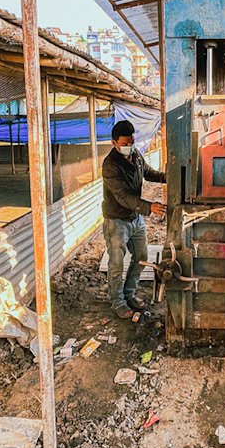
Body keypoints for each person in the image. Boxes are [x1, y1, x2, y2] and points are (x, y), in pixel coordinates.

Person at [101, 120, 166, 318]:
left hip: (135, 218)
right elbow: (122, 196)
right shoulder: (110, 165)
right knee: (117, 264)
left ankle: (129, 294)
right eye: (126, 143)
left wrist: (166, 177)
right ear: (114, 143)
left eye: (132, 141)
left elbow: (148, 173)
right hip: (116, 220)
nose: (130, 146)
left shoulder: (135, 155)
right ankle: (118, 302)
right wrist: (149, 207)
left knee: (142, 258)